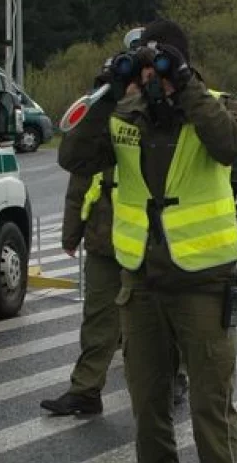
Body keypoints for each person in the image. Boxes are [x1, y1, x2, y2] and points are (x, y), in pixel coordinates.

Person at [58, 19, 237, 463]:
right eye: (146, 68)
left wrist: (183, 85)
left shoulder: (219, 105)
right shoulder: (125, 115)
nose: (151, 79)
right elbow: (73, 157)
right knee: (148, 408)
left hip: (204, 285)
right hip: (141, 283)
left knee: (211, 407)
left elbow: (229, 145)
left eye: (159, 66)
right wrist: (106, 92)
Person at [40, 166, 189, 415]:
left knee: (163, 315)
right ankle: (85, 390)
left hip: (155, 237)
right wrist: (71, 232)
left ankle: (174, 378)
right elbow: (81, 172)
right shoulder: (99, 127)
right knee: (98, 319)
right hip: (106, 237)